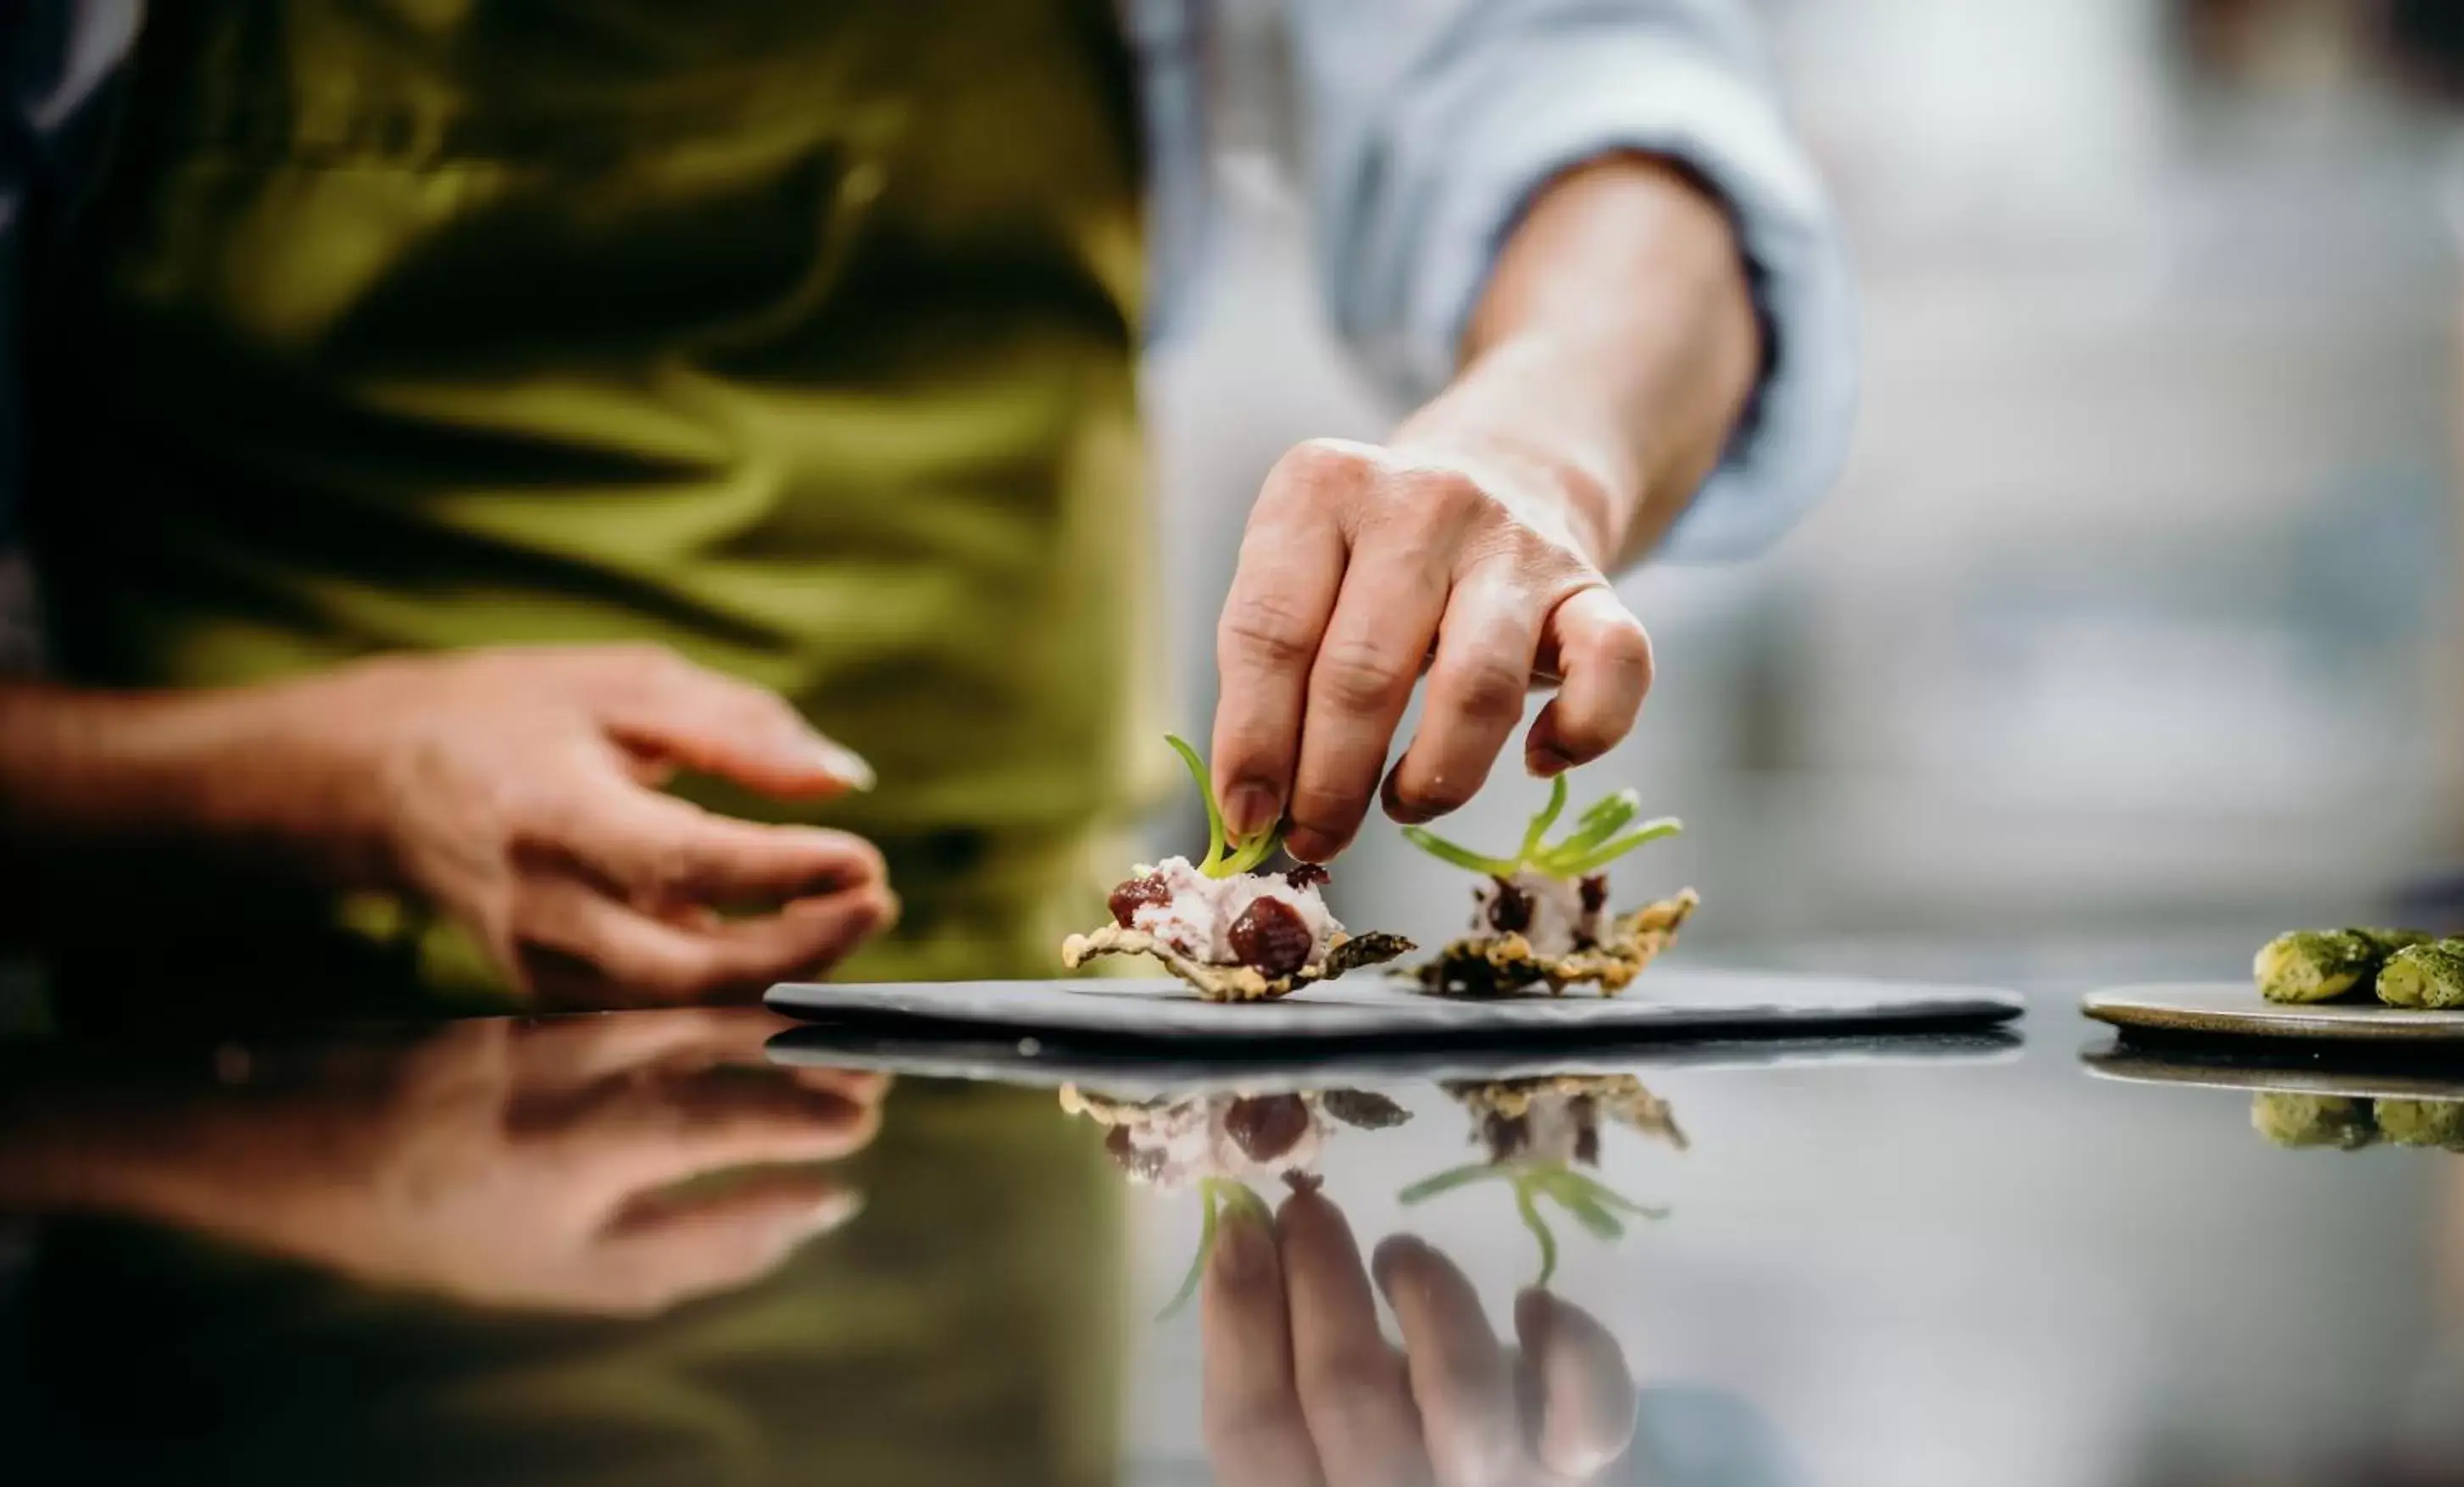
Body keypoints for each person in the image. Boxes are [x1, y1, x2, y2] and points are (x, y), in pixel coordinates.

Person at [0, 0, 1855, 1030]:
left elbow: (1586, 79)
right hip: (247, 1098)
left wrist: (1546, 433)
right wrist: (317, 786)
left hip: (1014, 1066)